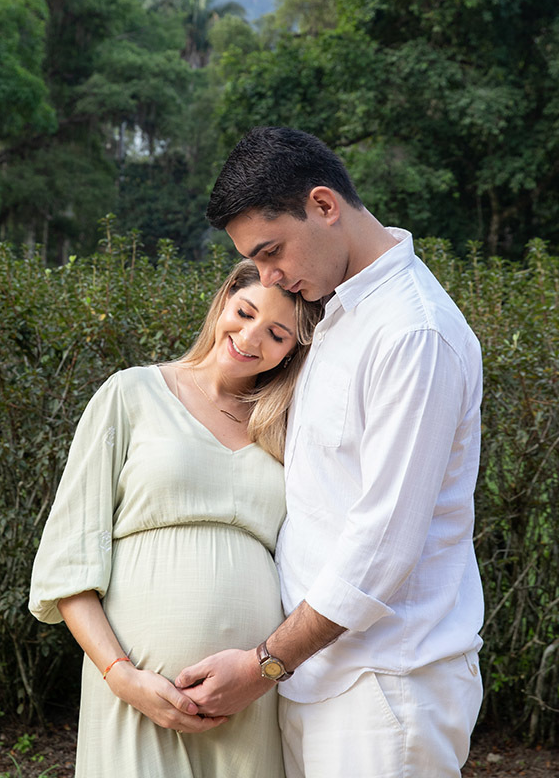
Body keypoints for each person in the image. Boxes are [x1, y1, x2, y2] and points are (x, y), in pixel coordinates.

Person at [175, 126, 484, 778]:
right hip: (318, 680)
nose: (269, 277)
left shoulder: (412, 333)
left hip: (387, 689)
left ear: (323, 205)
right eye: (254, 265)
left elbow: (382, 552)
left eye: (271, 251)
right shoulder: (338, 315)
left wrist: (263, 665)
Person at [29, 258, 321, 778]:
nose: (251, 338)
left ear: (293, 350)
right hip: (136, 690)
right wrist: (121, 676)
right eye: (245, 311)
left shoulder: (287, 428)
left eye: (276, 334)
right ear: (224, 300)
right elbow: (69, 559)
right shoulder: (131, 393)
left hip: (251, 698)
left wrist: (263, 668)